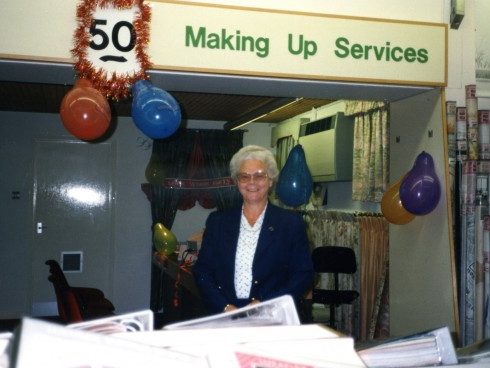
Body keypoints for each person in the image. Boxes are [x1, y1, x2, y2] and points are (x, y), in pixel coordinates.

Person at [193, 145, 314, 315]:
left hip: (273, 315)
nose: (252, 182)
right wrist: (224, 306)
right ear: (237, 181)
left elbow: (303, 274)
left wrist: (265, 303)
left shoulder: (290, 223)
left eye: (259, 176)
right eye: (244, 176)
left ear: (271, 180)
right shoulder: (218, 221)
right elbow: (202, 270)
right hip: (227, 315)